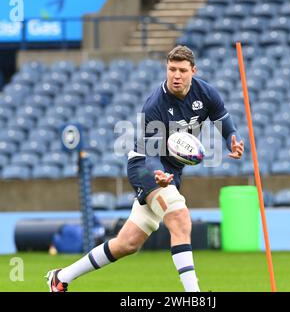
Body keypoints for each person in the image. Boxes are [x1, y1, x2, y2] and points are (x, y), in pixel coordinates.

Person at [46, 45, 244, 292]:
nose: (176, 75)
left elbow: (223, 119)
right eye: (171, 69)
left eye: (182, 70)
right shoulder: (155, 105)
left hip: (171, 172)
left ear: (193, 70)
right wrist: (158, 175)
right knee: (180, 218)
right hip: (144, 166)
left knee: (127, 243)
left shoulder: (206, 93)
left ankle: (61, 277)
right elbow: (150, 153)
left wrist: (232, 139)